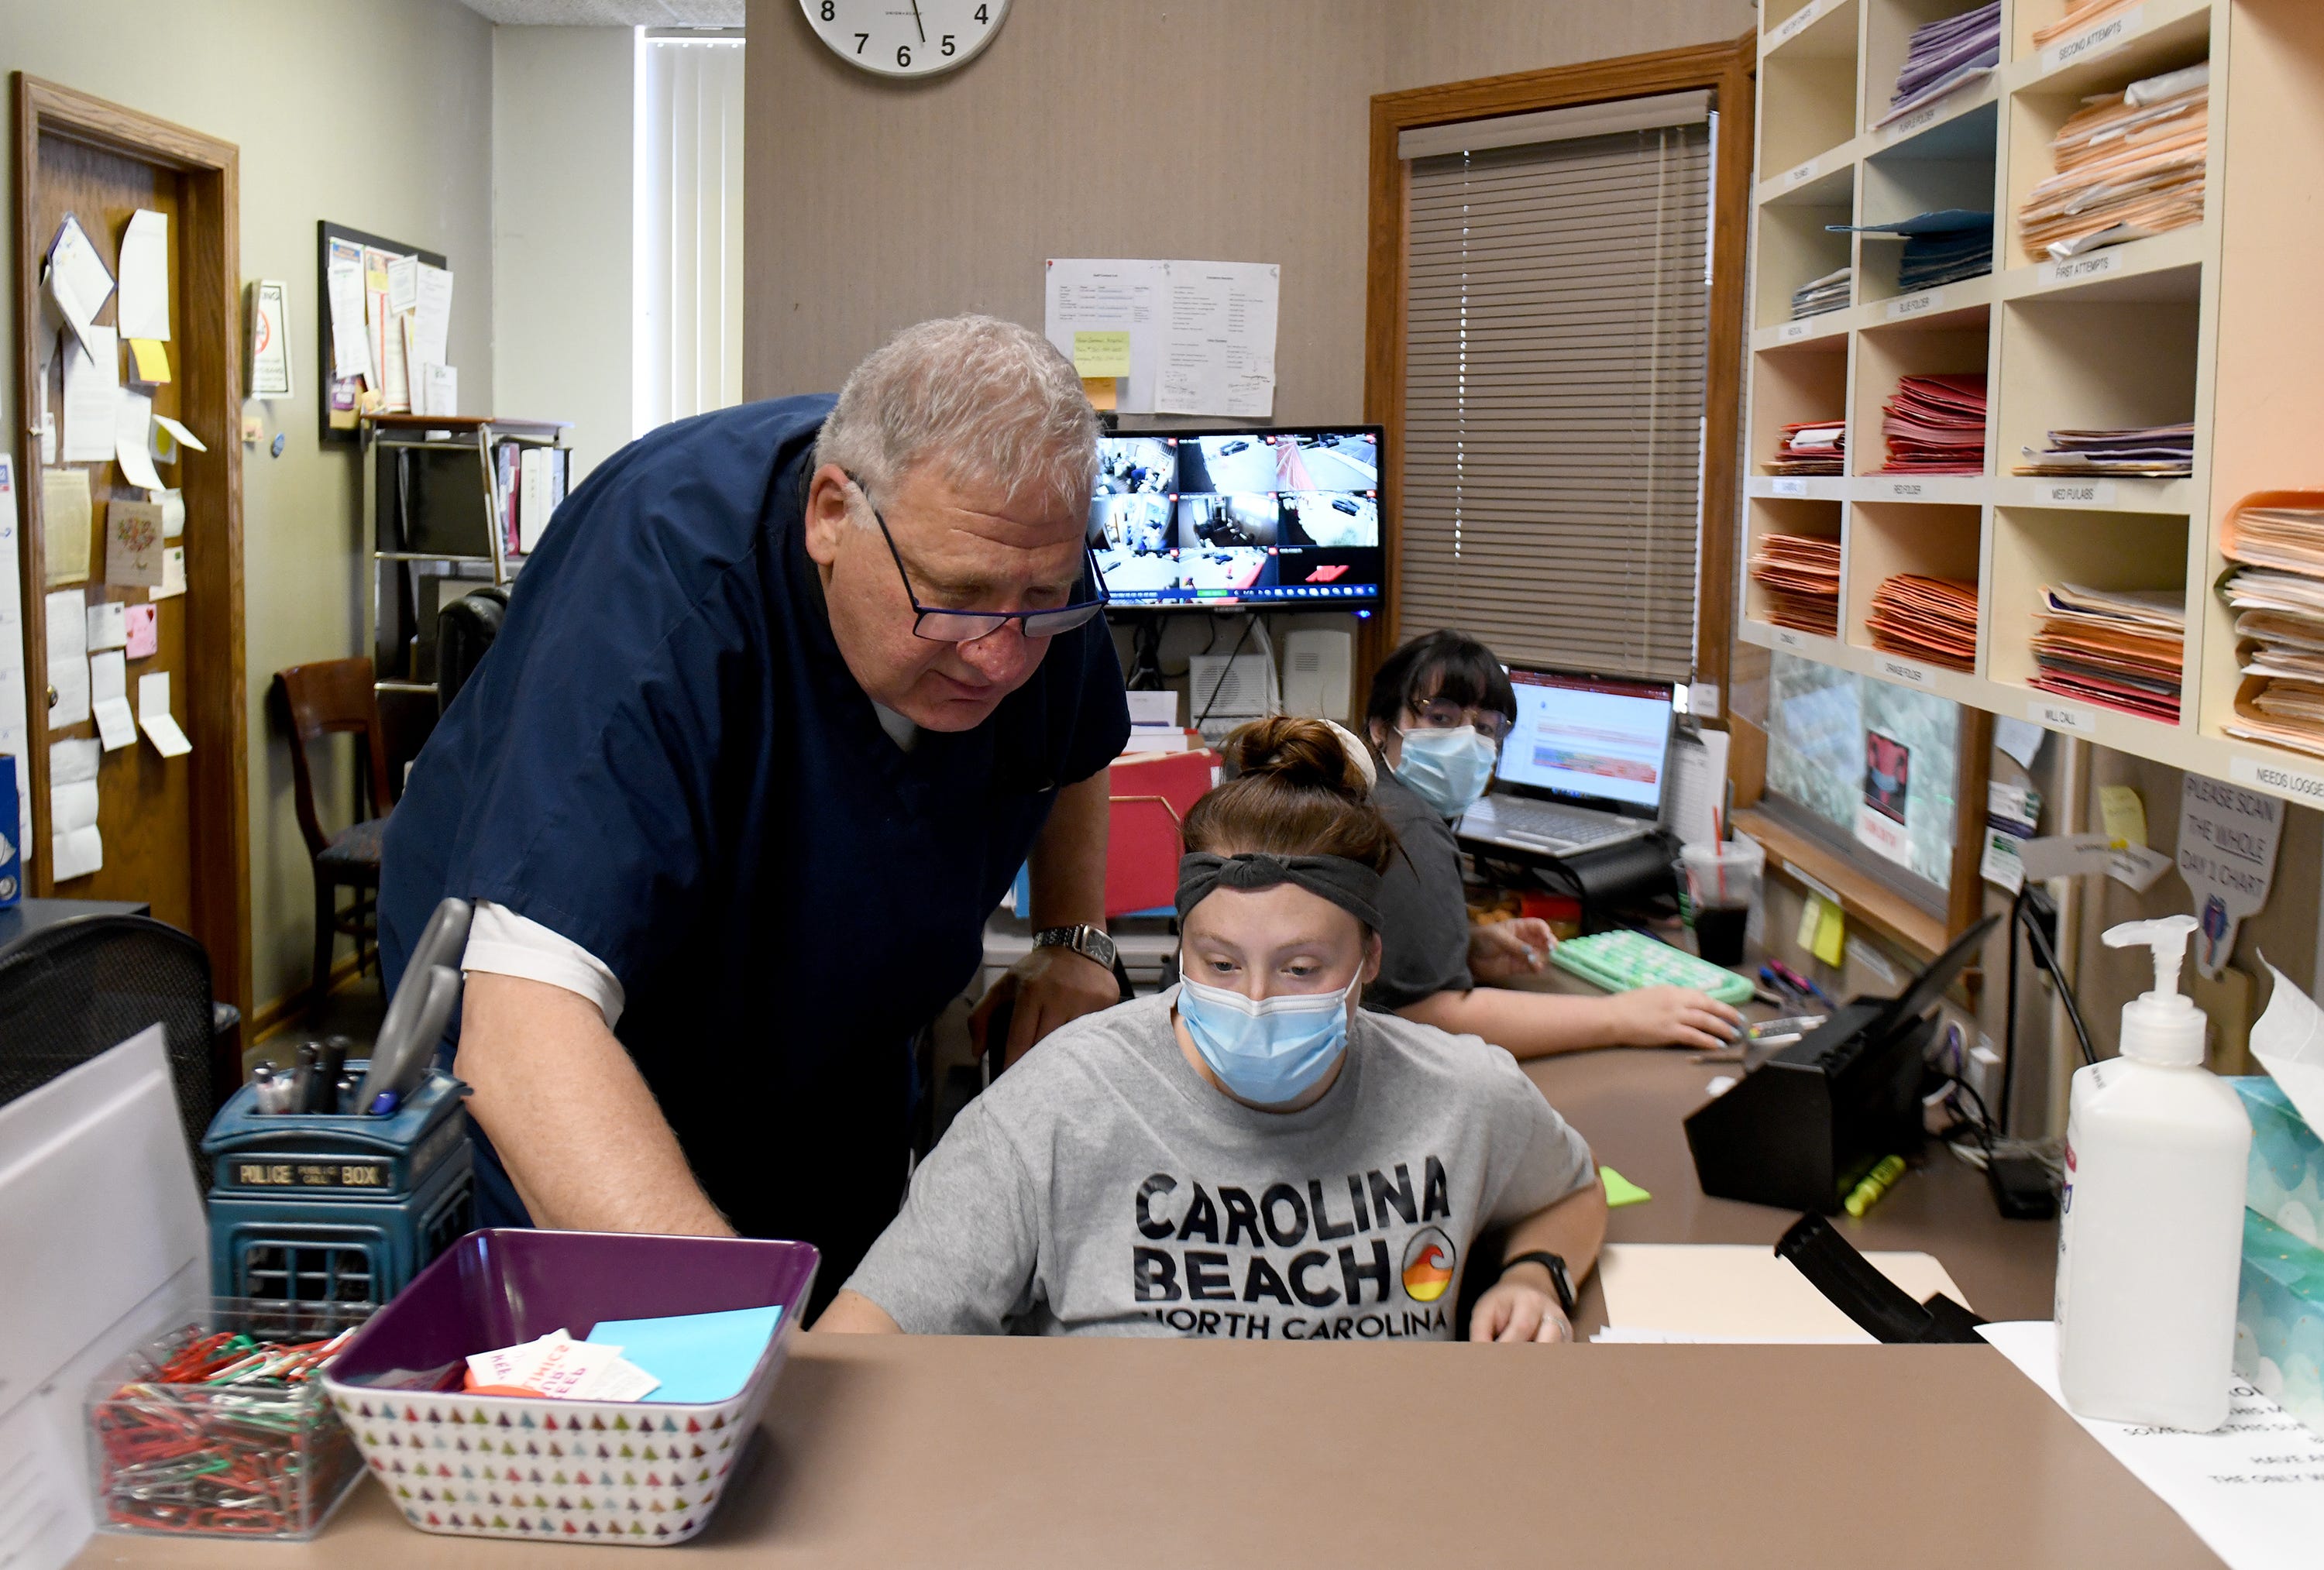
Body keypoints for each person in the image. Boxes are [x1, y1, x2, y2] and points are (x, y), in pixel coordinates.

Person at [377, 316, 1130, 1307]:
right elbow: (523, 1037)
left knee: (837, 1311)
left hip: (831, 1040)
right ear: (831, 515)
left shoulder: (1016, 557)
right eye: (956, 602)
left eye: (1043, 601)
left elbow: (1067, 742)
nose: (1000, 654)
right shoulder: (664, 597)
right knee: (634, 1351)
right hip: (577, 1032)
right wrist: (742, 1337)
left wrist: (1073, 937)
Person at [817, 717, 1607, 1343]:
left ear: (1370, 958)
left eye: (1301, 969)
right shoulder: (1057, 1109)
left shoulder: (1461, 1094)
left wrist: (1535, 1277)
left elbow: (1571, 1189)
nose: (1256, 1001)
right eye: (1221, 962)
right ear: (1182, 946)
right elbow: (870, 1336)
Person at [1363, 630, 1741, 1057]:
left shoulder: (1374, 798)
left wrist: (1466, 946)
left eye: (1485, 728)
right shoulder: (1408, 828)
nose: (1466, 742)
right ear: (1381, 728)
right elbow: (1432, 1019)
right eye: (1442, 718)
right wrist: (1624, 1016)